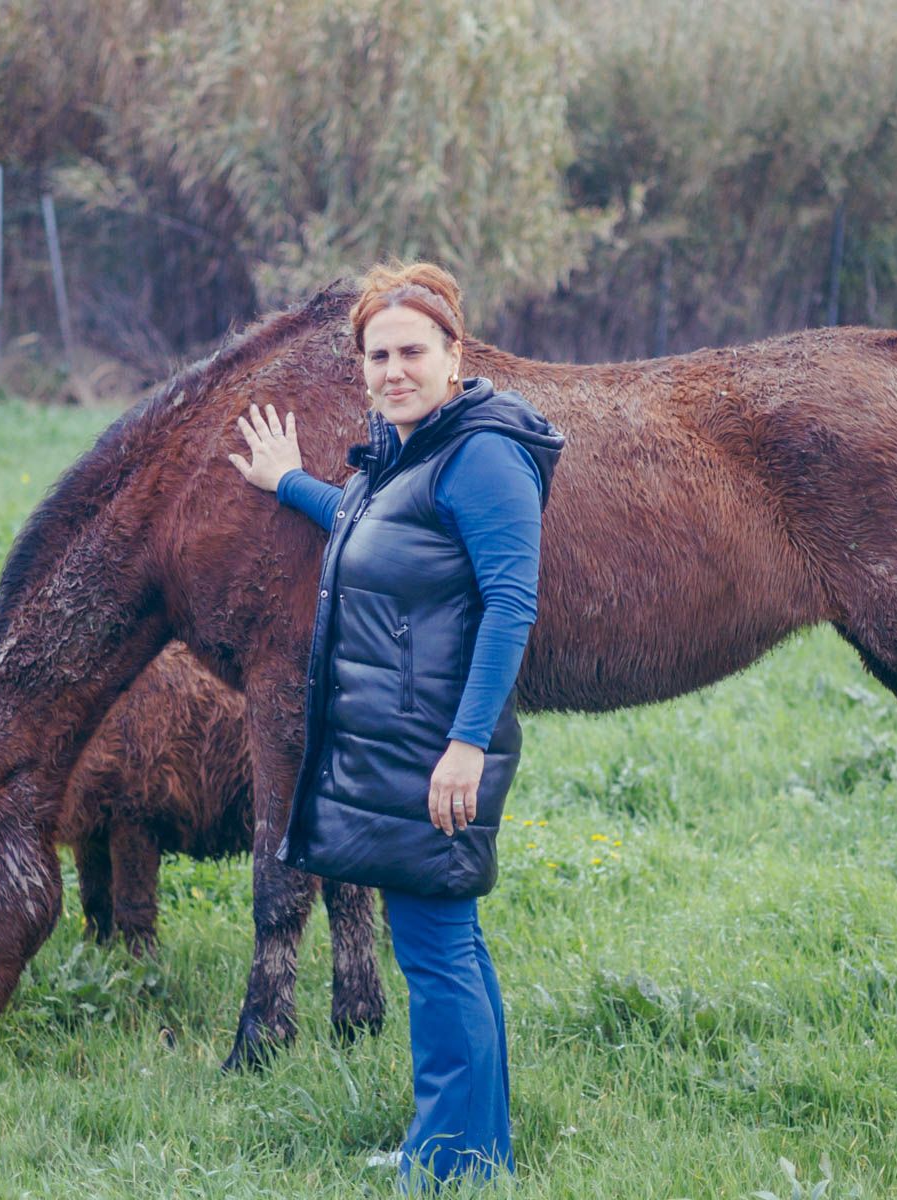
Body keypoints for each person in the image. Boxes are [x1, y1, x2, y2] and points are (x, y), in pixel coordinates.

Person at [228, 261, 565, 1188]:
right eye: (378, 355)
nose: (393, 370)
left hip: (435, 743)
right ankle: (476, 1148)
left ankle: (444, 1160)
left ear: (455, 355)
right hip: (402, 740)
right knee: (451, 941)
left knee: (432, 951)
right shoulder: (414, 450)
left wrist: (465, 743)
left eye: (413, 351)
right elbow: (374, 530)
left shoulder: (484, 454)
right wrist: (290, 482)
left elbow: (510, 603)